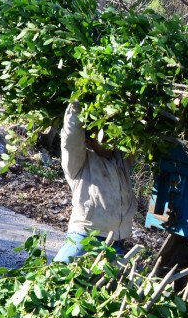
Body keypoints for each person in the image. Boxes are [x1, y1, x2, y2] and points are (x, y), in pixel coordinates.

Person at [54, 102, 135, 263]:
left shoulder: (121, 161)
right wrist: (78, 103)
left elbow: (135, 136)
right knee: (59, 279)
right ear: (90, 140)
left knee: (113, 286)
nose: (110, 141)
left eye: (113, 136)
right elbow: (71, 139)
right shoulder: (80, 162)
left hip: (114, 242)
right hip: (85, 236)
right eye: (104, 137)